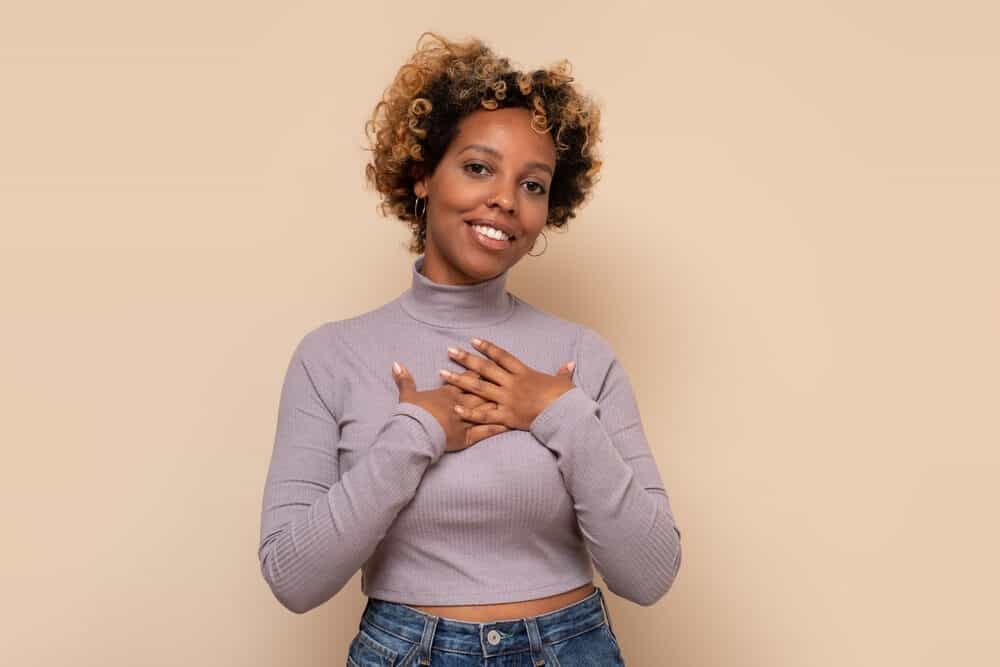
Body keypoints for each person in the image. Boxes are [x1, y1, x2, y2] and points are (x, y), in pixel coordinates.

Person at [257, 31, 682, 666]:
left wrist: (559, 413)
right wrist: (416, 433)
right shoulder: (331, 358)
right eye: (479, 167)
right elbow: (293, 579)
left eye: (532, 184)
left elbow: (650, 575)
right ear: (423, 176)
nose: (505, 200)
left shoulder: (582, 358)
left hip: (571, 648)